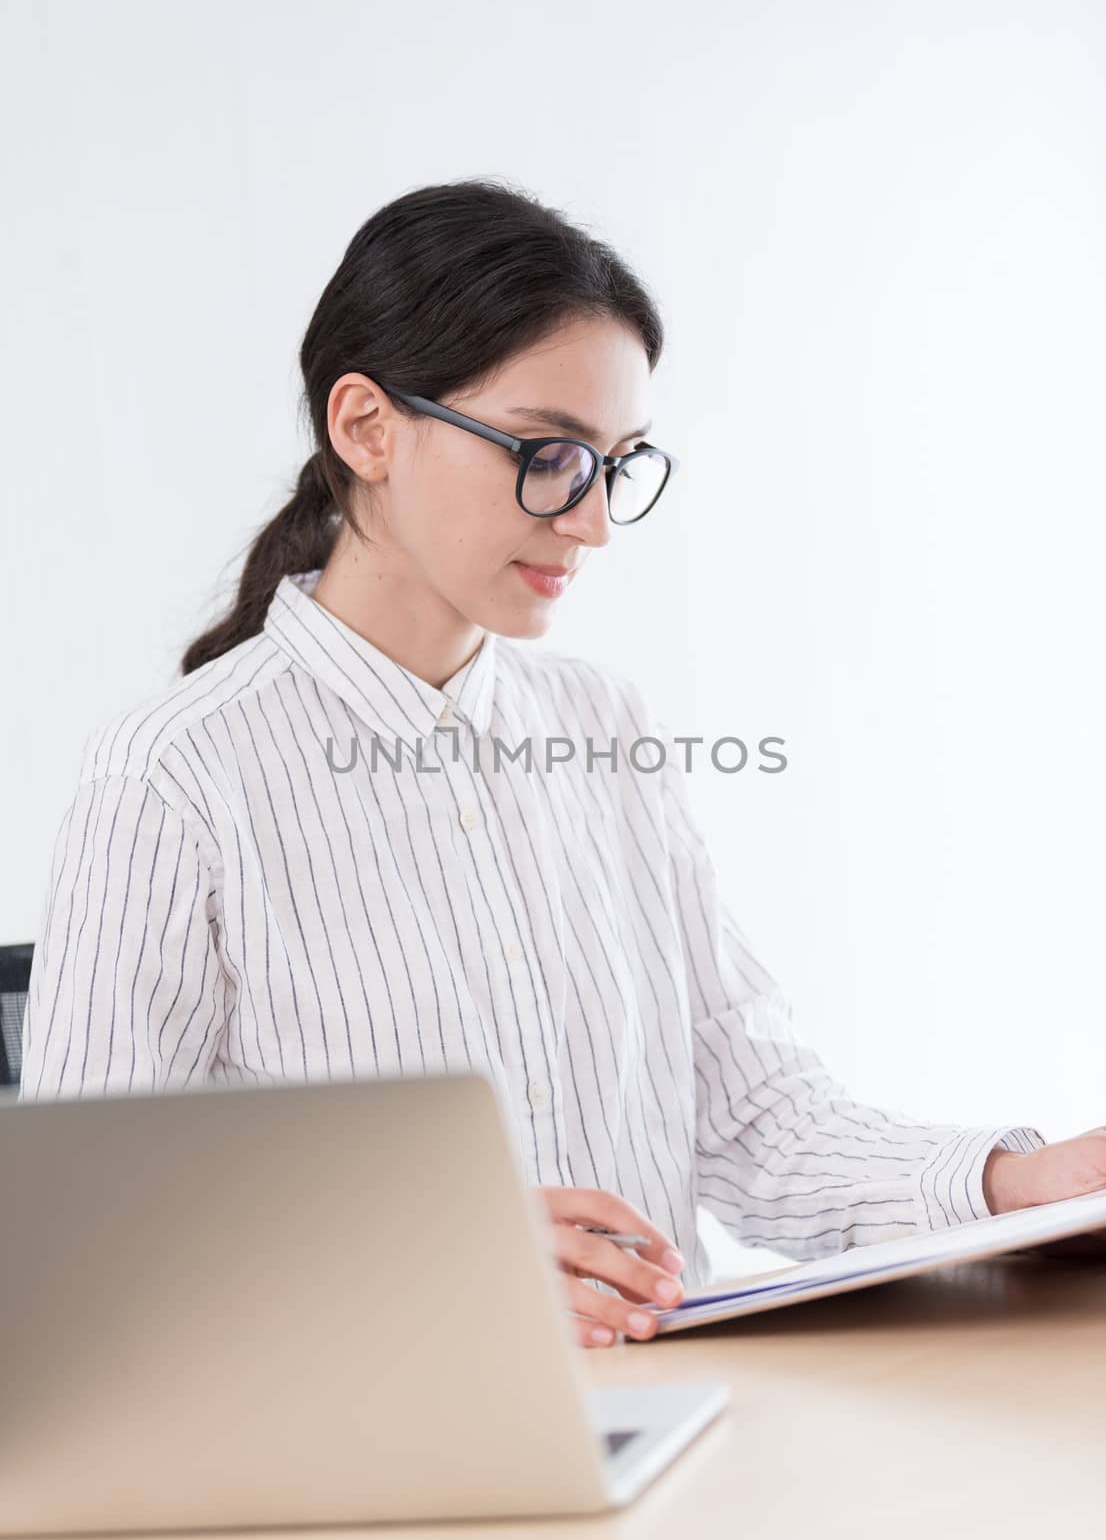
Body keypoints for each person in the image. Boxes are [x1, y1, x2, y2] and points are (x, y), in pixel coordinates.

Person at [19, 177, 1105, 1347]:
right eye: (549, 454)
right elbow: (79, 1247)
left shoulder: (605, 729)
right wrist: (439, 1261)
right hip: (384, 1468)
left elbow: (749, 1120)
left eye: (615, 464)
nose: (587, 522)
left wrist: (1011, 1184)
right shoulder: (175, 777)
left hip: (677, 1419)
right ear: (366, 426)